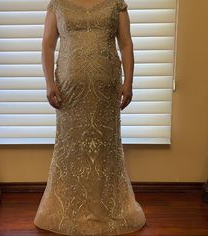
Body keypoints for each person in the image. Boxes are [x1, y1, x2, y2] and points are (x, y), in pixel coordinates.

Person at [34, 0, 147, 235]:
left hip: (106, 84)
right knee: (71, 146)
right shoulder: (58, 4)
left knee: (105, 147)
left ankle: (107, 206)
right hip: (69, 86)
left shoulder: (116, 3)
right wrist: (49, 83)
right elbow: (47, 44)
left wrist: (129, 81)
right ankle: (70, 207)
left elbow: (126, 43)